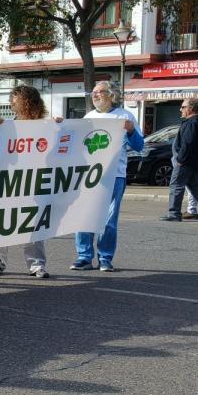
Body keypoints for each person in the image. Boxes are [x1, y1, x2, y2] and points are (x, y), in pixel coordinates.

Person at [72, 81, 145, 270]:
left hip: (114, 175)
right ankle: (84, 256)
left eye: (99, 92)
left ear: (111, 95)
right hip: (89, 175)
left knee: (109, 220)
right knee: (84, 215)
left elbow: (139, 146)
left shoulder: (125, 116)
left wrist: (130, 130)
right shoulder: (88, 117)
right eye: (93, 92)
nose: (95, 95)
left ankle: (105, 257)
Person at [0, 86, 56, 278]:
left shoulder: (46, 125)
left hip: (34, 181)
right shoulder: (9, 125)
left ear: (27, 101)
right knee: (1, 221)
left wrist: (60, 126)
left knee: (33, 223)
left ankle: (36, 264)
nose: (11, 102)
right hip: (10, 181)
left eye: (15, 98)